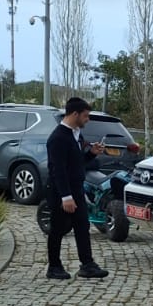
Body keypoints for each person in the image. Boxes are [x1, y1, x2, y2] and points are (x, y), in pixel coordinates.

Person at [45, 97, 108, 281]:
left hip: (77, 189)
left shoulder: (77, 134)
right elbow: (57, 170)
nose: (88, 119)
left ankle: (87, 265)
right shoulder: (58, 138)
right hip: (60, 191)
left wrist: (91, 154)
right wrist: (66, 197)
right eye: (85, 115)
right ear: (75, 114)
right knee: (58, 228)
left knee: (82, 226)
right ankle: (54, 267)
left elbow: (77, 163)